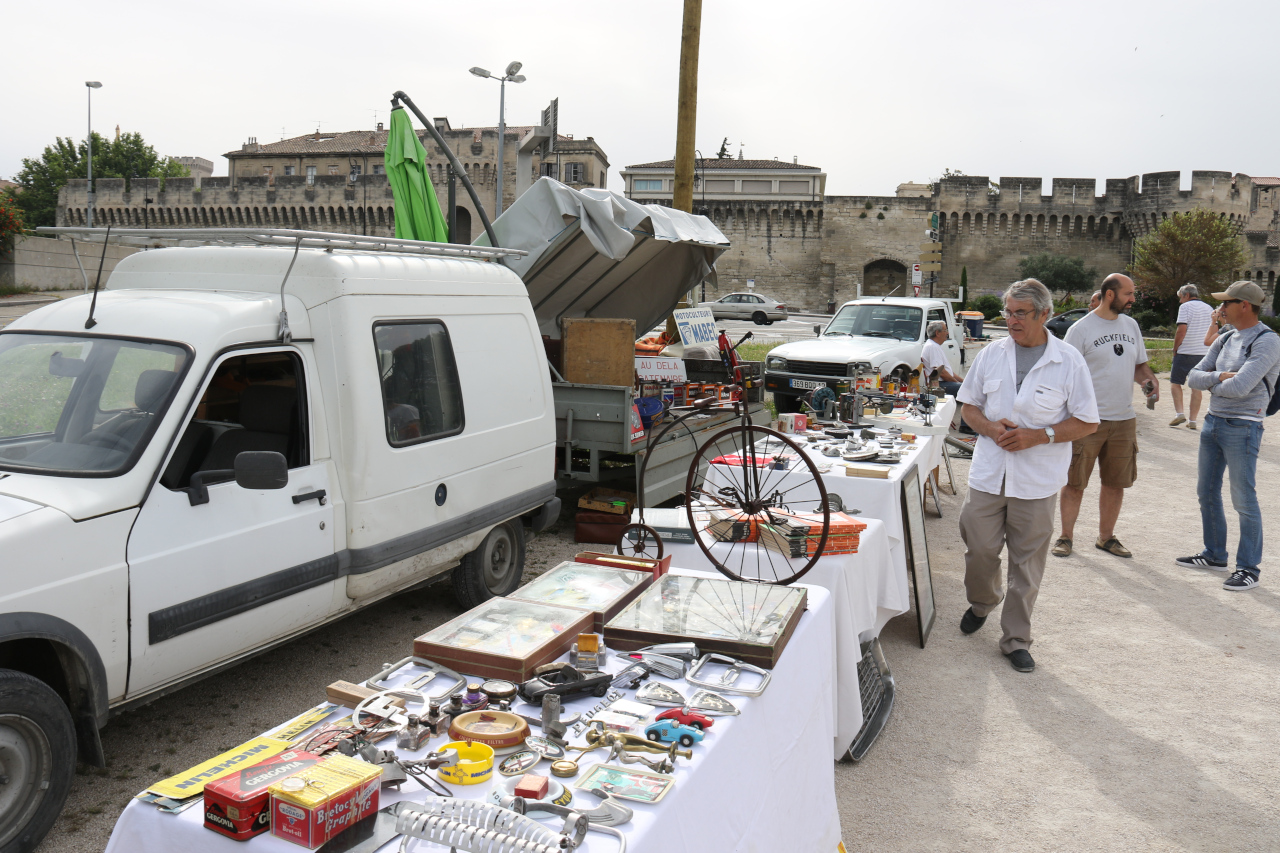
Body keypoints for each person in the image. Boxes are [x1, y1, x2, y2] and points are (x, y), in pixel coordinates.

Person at [956, 279, 1099, 672]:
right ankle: (983, 601)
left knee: (1027, 564)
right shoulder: (990, 354)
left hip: (1037, 481)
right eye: (1008, 311)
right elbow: (968, 407)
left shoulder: (1069, 360)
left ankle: (1016, 638)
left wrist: (1041, 435)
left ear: (1044, 315)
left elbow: (1087, 421)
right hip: (989, 474)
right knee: (979, 547)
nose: (1012, 320)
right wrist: (989, 428)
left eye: (1021, 313)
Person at [1178, 280, 1280, 591]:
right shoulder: (1225, 338)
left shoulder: (1267, 341)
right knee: (1206, 492)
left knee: (1243, 498)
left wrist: (1212, 383)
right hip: (1213, 422)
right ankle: (1214, 554)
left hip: (1243, 426)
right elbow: (1191, 376)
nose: (1220, 309)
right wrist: (1220, 377)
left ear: (1245, 306)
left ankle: (1248, 568)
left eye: (1226, 303)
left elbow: (1241, 388)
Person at [1054, 274, 1159, 559]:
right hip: (1087, 421)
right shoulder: (1081, 330)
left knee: (1115, 483)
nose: (1133, 299)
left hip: (1124, 419)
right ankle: (1065, 537)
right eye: (1129, 294)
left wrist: (1148, 381)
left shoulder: (1132, 326)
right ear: (1110, 295)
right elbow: (1065, 375)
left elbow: (1140, 366)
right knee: (1075, 482)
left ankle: (1106, 538)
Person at [1169, 284, 1214, 429]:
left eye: (1180, 298)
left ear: (1186, 295)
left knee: (1175, 383)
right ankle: (1193, 421)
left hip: (1186, 351)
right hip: (1203, 353)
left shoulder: (1185, 307)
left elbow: (1181, 330)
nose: (1180, 301)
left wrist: (1175, 348)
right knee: (1196, 388)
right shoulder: (1209, 308)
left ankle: (1179, 413)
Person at [921, 320, 971, 432]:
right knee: (968, 390)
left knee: (968, 386)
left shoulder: (935, 346)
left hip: (942, 382)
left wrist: (963, 381)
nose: (947, 333)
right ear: (938, 333)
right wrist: (959, 384)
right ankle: (966, 426)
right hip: (939, 384)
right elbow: (941, 373)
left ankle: (968, 424)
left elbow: (949, 372)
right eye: (945, 330)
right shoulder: (932, 347)